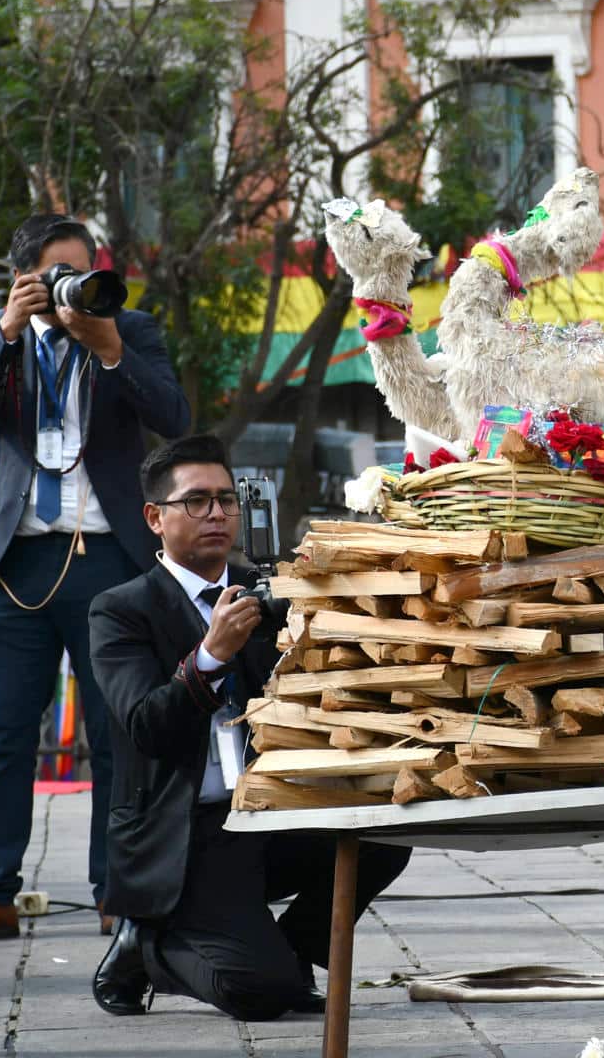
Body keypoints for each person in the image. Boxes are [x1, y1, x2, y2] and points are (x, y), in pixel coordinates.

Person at [88, 434, 411, 1019]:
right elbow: (146, 728)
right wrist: (209, 657)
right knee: (259, 997)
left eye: (226, 499)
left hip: (268, 812)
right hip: (187, 834)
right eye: (196, 501)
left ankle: (288, 955)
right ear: (154, 518)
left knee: (385, 834)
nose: (216, 512)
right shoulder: (121, 610)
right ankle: (149, 941)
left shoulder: (269, 595)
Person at [0, 214, 191, 944]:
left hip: (111, 559)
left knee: (118, 735)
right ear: (25, 278)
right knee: (7, 734)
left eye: (85, 271)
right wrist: (9, 332)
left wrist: (109, 351)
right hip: (16, 561)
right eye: (57, 275)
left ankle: (118, 893)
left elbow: (174, 416)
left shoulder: (128, 330)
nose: (74, 288)